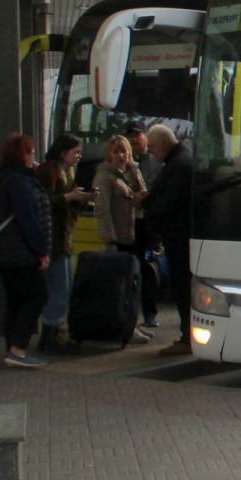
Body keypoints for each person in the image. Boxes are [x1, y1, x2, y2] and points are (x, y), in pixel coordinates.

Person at [0, 133, 53, 368]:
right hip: (21, 253)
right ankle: (17, 349)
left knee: (15, 300)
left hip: (3, 252)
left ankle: (12, 349)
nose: (34, 156)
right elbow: (29, 220)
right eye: (31, 152)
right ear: (22, 155)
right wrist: (42, 252)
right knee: (37, 295)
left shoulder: (0, 180)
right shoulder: (19, 183)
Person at [34, 133, 94, 354]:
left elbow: (69, 203)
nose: (79, 156)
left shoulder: (67, 171)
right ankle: (50, 333)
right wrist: (70, 197)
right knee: (59, 289)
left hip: (65, 238)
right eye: (76, 152)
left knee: (64, 288)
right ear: (63, 152)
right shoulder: (47, 171)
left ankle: (55, 331)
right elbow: (42, 203)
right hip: (53, 241)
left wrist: (82, 198)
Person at [92, 134, 153, 345]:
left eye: (124, 151)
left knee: (135, 283)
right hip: (119, 238)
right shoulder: (104, 176)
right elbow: (102, 210)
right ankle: (124, 327)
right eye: (116, 151)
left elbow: (144, 194)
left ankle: (132, 324)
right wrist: (109, 240)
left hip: (137, 233)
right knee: (122, 285)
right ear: (109, 153)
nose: (121, 155)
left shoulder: (133, 171)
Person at [144, 124, 193, 355]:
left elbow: (169, 202)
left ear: (163, 142)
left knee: (183, 287)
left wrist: (147, 205)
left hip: (179, 238)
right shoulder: (180, 161)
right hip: (178, 236)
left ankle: (188, 337)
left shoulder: (180, 165)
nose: (151, 151)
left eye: (152, 146)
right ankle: (188, 335)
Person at [126, 121, 160, 327]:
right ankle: (130, 313)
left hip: (149, 223)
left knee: (148, 270)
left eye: (137, 135)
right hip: (130, 224)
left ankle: (150, 313)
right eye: (131, 136)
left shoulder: (156, 160)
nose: (134, 140)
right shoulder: (123, 163)